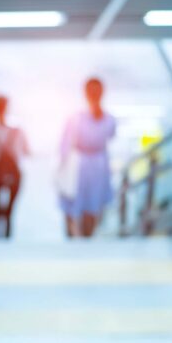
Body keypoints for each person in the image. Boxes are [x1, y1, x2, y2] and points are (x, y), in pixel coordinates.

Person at [59, 78, 116, 238]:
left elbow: (110, 137)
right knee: (73, 204)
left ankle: (87, 240)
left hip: (98, 166)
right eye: (91, 91)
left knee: (93, 205)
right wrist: (61, 171)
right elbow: (64, 146)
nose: (94, 95)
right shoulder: (75, 118)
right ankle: (74, 239)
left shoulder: (109, 119)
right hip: (78, 165)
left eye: (97, 91)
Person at [0, 95, 30, 238]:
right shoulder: (18, 130)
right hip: (15, 174)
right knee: (10, 211)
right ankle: (8, 237)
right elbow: (26, 151)